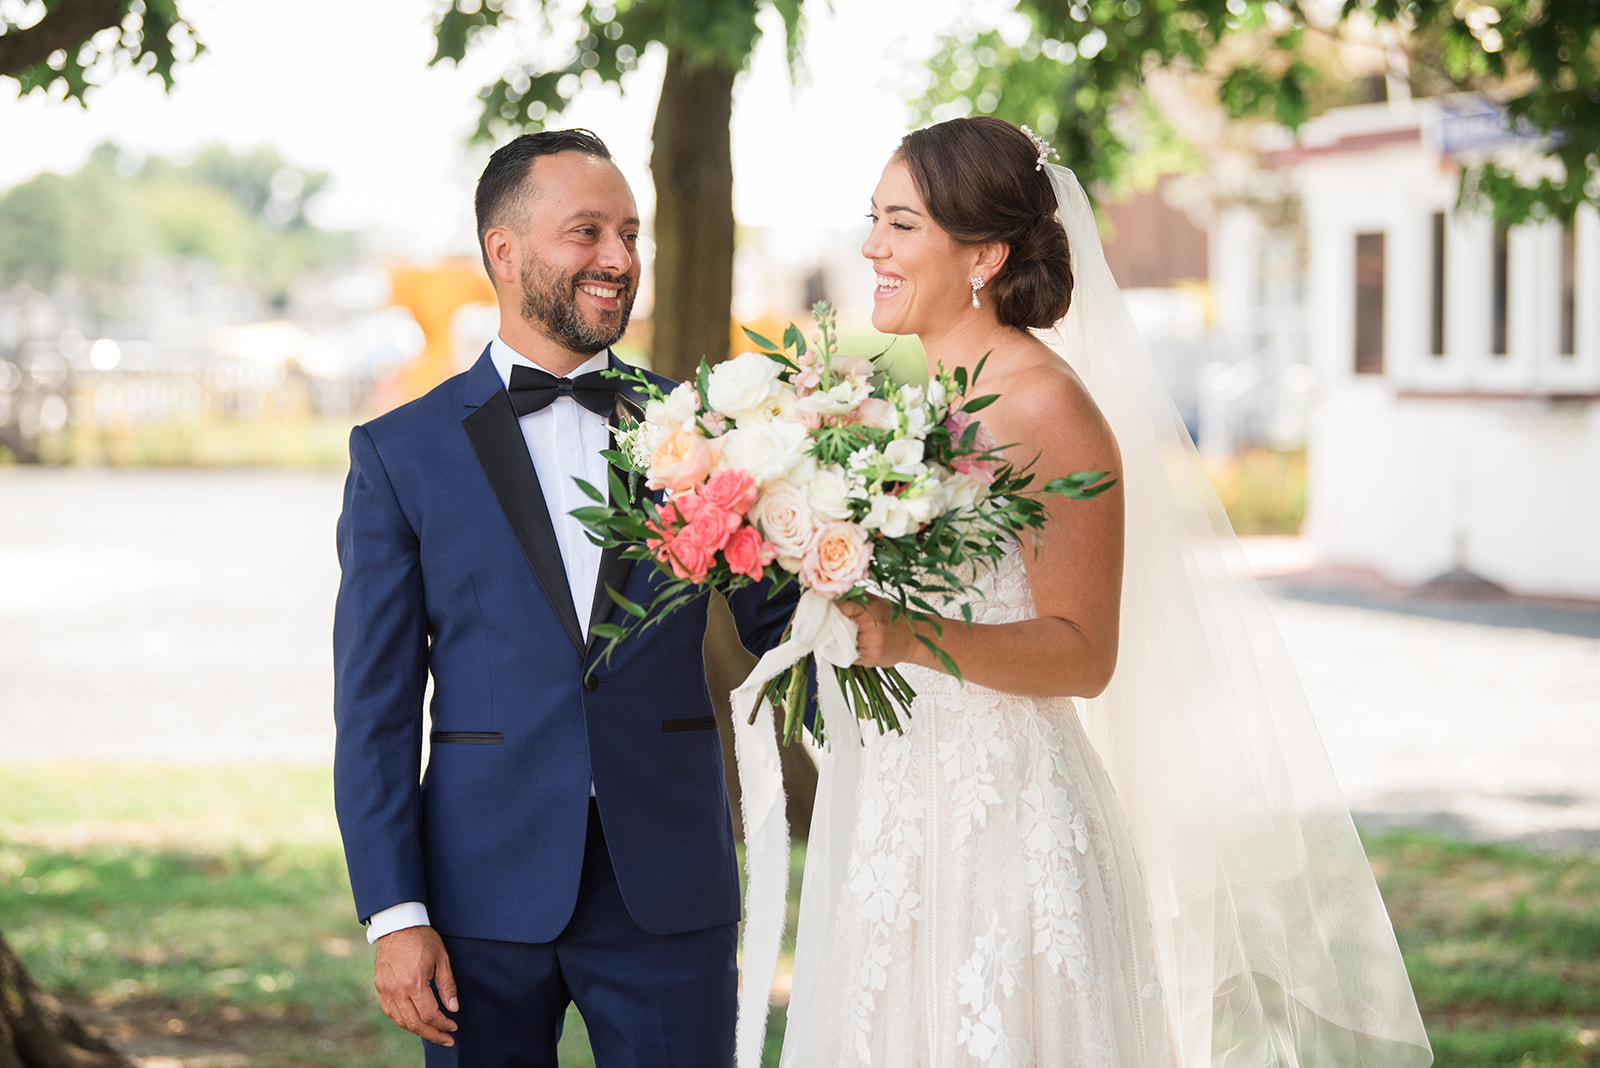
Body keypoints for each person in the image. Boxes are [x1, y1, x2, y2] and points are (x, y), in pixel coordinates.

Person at [772, 117, 1433, 1066]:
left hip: (1009, 834)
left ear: (984, 255)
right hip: (903, 820)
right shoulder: (925, 404)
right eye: (873, 220)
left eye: (901, 224)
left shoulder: (1046, 404)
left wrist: (912, 638)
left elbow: (1086, 650)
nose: (871, 246)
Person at [332, 128, 795, 1068]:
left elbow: (789, 626)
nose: (618, 259)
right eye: (586, 233)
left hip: (669, 886)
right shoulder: (400, 455)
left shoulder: (708, 431)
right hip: (475, 902)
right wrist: (394, 913)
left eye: (631, 234)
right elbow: (373, 709)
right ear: (503, 252)